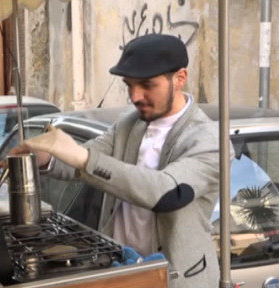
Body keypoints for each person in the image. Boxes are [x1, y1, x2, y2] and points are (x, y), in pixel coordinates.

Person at [12, 34, 228, 288]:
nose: (135, 96)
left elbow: (167, 192)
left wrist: (81, 156)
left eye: (147, 85)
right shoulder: (129, 122)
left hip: (176, 279)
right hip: (123, 270)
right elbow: (85, 161)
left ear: (180, 78)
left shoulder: (209, 139)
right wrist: (45, 156)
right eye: (129, 85)